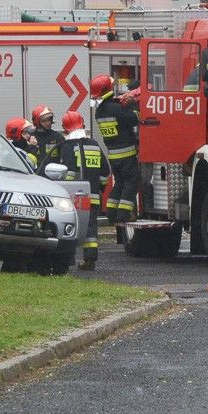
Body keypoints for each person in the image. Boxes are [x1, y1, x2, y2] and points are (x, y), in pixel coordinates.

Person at [57, 110, 111, 271]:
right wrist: (99, 188)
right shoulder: (94, 145)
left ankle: (67, 260)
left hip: (72, 196)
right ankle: (90, 259)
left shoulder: (66, 146)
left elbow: (68, 171)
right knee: (90, 228)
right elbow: (105, 172)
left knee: (70, 226)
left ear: (66, 129)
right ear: (83, 125)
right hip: (93, 196)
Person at [91, 74, 139, 224]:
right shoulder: (117, 108)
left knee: (119, 183)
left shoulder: (99, 111)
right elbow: (135, 119)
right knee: (131, 182)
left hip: (113, 155)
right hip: (127, 153)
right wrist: (134, 107)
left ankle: (111, 213)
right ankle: (123, 215)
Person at [30, 105, 64, 174]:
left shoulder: (57, 137)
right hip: (36, 176)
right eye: (44, 121)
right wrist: (32, 146)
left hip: (54, 175)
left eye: (49, 120)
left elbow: (64, 158)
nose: (48, 123)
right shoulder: (31, 138)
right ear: (37, 122)